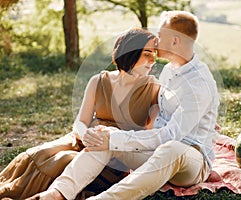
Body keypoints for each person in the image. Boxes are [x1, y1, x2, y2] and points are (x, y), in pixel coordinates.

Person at [28, 10, 220, 200]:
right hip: (155, 152)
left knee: (170, 148)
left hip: (190, 160)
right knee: (105, 138)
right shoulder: (169, 71)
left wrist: (119, 137)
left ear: (175, 40)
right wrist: (111, 136)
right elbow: (161, 116)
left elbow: (171, 135)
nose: (156, 40)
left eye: (161, 36)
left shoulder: (198, 84)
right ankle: (57, 194)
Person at [0, 27, 159, 199]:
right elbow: (80, 122)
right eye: (147, 53)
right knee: (41, 154)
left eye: (155, 54)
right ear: (130, 52)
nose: (153, 61)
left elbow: (148, 137)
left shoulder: (154, 89)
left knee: (65, 160)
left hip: (114, 149)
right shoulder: (98, 81)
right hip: (84, 137)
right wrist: (86, 137)